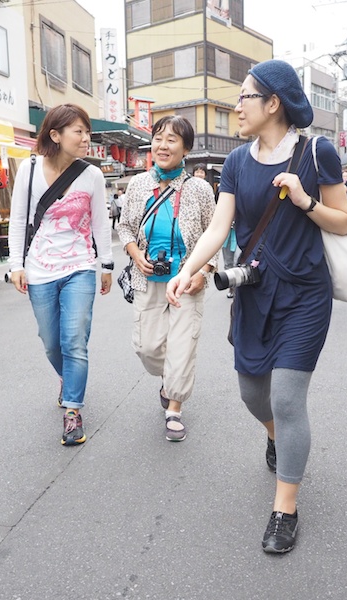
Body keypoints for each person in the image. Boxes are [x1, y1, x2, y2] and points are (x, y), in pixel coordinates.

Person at [166, 59, 347, 553]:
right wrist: (188, 271)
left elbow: (344, 221)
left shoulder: (318, 153)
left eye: (245, 95)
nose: (236, 105)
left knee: (289, 399)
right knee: (254, 395)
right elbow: (218, 226)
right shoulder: (236, 162)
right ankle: (276, 436)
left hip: (304, 295)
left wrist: (304, 200)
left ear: (273, 103)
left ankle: (284, 510)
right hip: (253, 291)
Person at [8, 104, 114, 446]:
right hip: (39, 267)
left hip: (80, 266)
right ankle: (68, 380)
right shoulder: (29, 169)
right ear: (55, 135)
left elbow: (100, 223)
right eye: (78, 132)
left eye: (87, 131)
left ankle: (72, 411)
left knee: (74, 341)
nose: (86, 138)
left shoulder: (92, 175)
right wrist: (16, 265)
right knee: (51, 342)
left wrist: (106, 265)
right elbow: (17, 220)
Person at [116, 115, 217, 443]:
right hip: (149, 280)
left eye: (172, 140)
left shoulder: (200, 189)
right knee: (147, 348)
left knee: (182, 347)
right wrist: (135, 254)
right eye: (159, 138)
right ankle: (167, 378)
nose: (163, 145)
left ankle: (174, 407)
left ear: (186, 148)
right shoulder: (138, 185)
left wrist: (203, 271)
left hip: (186, 281)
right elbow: (125, 227)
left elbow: (214, 234)